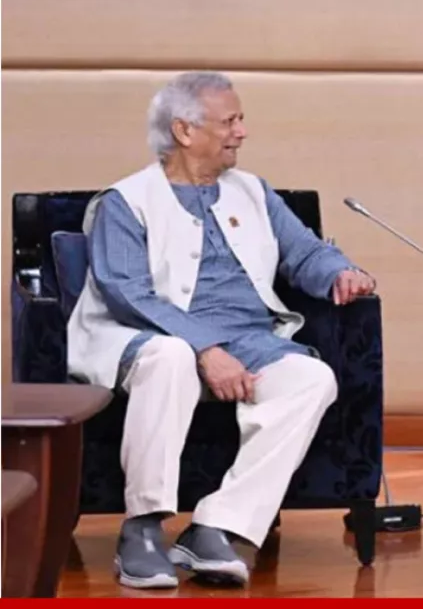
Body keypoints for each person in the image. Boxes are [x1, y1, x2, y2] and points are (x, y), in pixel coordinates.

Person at [66, 71, 377, 589]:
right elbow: (128, 294)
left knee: (311, 378)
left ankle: (216, 526)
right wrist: (204, 348)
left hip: (249, 341)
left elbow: (304, 252)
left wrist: (339, 272)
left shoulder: (252, 192)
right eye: (230, 121)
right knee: (171, 357)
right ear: (184, 130)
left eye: (241, 120)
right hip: (146, 337)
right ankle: (141, 530)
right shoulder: (127, 201)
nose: (242, 132)